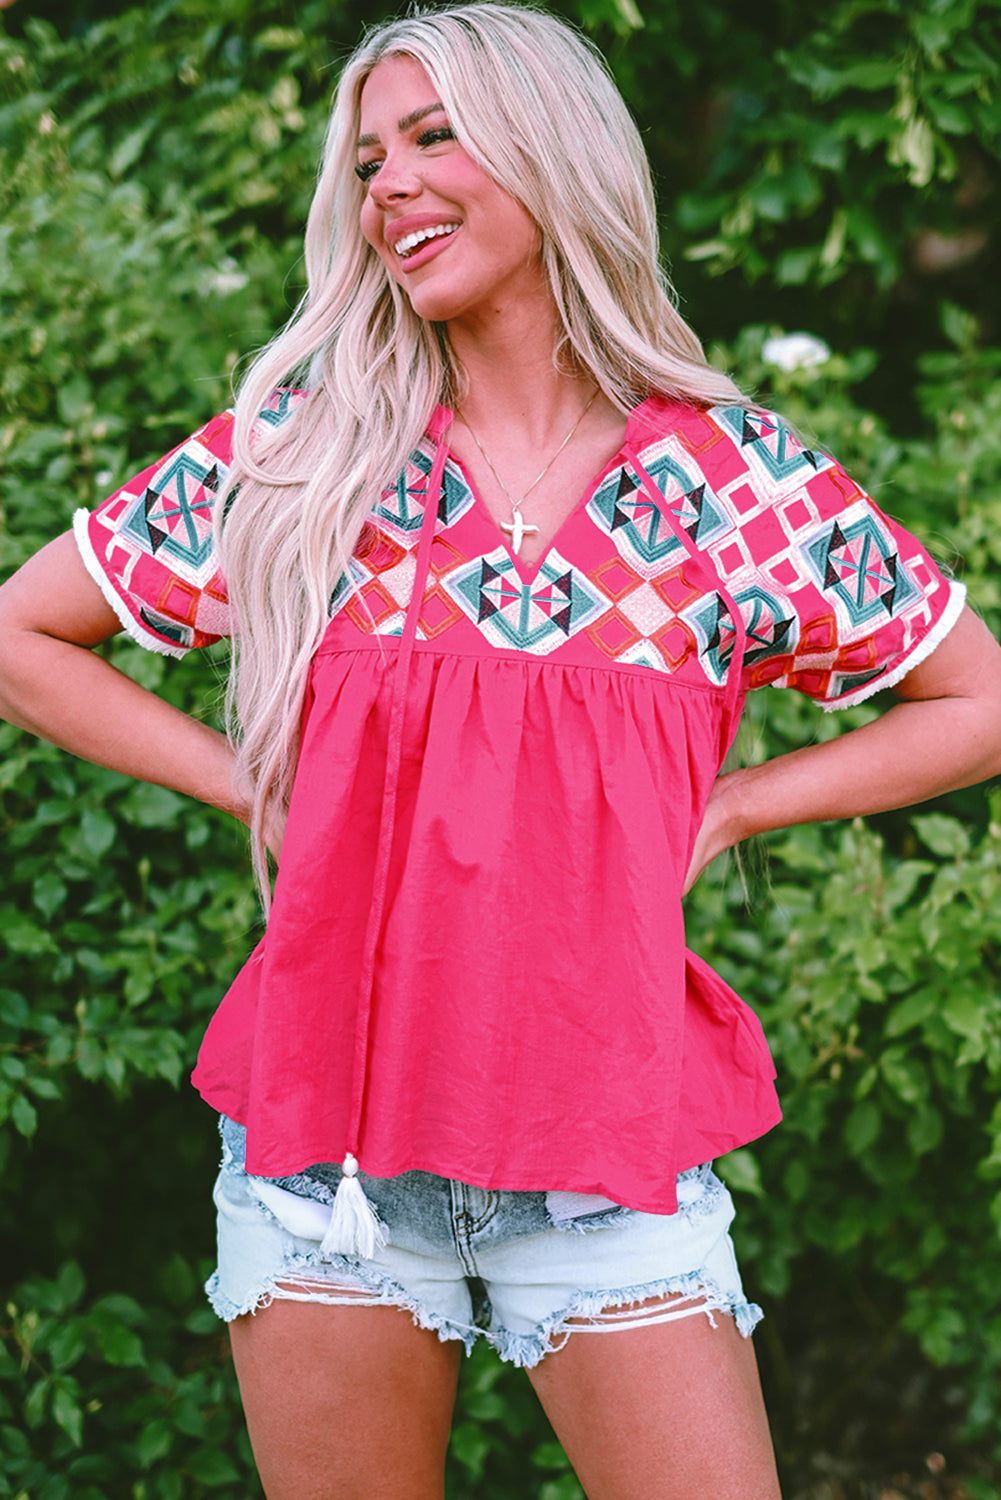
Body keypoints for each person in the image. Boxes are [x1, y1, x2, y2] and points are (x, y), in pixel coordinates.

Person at [2, 4, 1000, 1496]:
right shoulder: (310, 451)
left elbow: (976, 699)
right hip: (322, 1164)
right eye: (363, 159)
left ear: (553, 152)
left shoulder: (731, 485)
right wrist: (261, 785)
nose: (386, 183)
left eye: (433, 135)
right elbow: (22, 635)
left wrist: (730, 809)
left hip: (606, 1158)